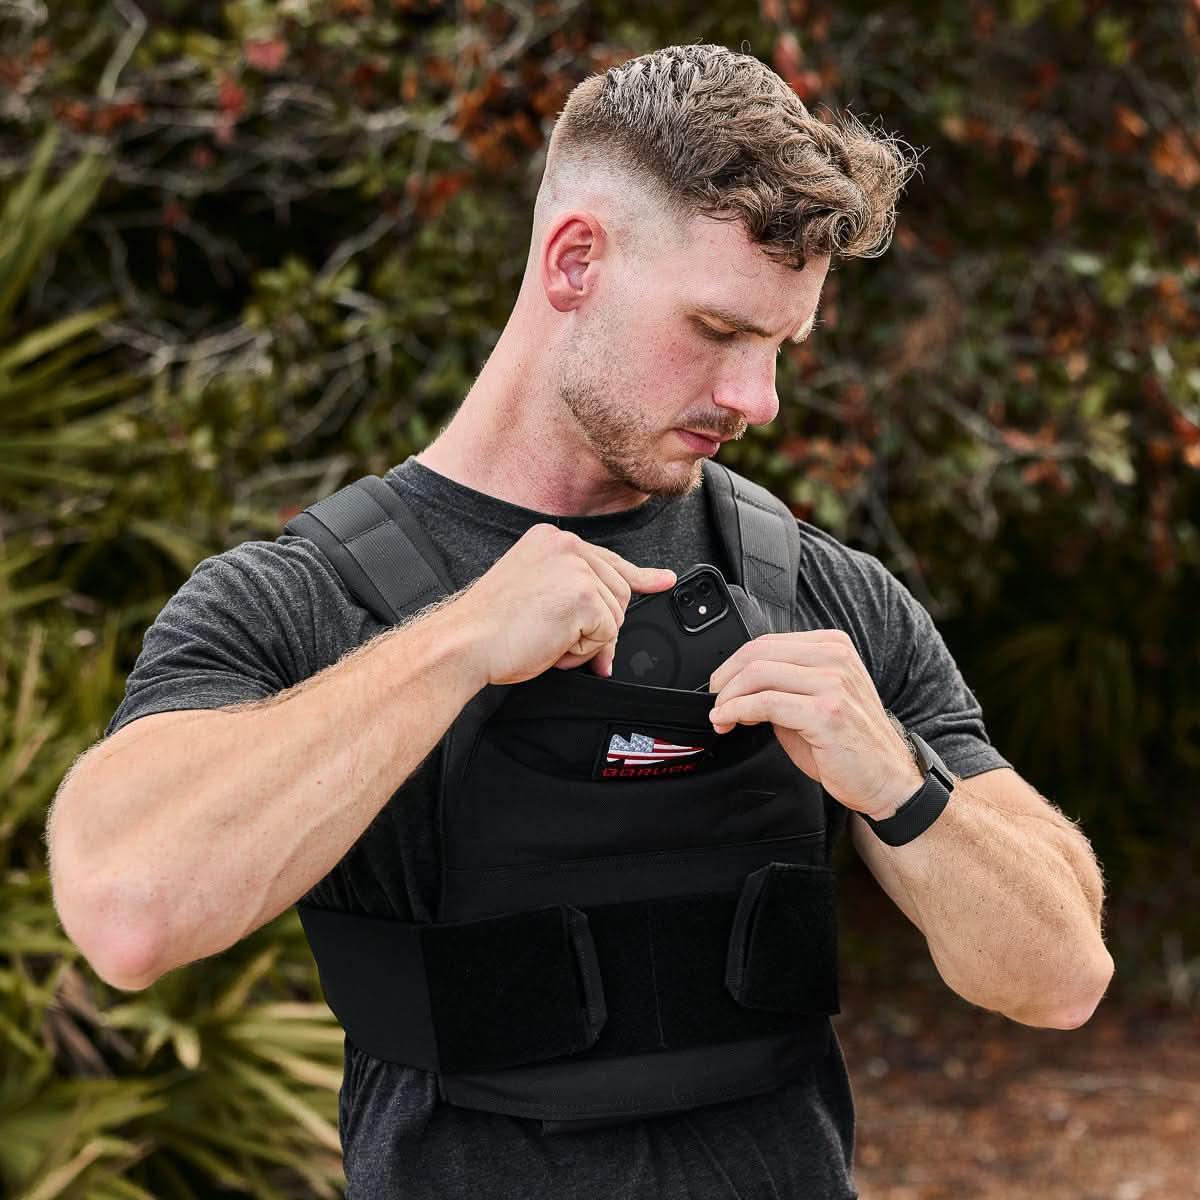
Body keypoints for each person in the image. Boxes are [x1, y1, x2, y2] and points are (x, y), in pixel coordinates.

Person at [47, 42, 1113, 1200]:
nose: (757, 399)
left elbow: (1062, 976)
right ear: (574, 261)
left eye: (779, 347)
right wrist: (457, 644)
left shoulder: (824, 592)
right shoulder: (302, 600)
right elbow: (127, 916)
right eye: (717, 330)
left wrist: (899, 781)